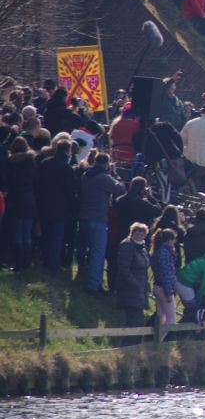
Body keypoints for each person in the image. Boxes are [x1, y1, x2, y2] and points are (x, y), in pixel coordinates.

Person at [77, 153, 126, 295]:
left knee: (82, 247)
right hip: (98, 219)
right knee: (98, 253)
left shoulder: (85, 175)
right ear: (107, 164)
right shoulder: (104, 178)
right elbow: (120, 189)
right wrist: (115, 175)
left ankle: (81, 270)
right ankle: (94, 285)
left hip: (83, 216)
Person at [36, 138, 76, 272]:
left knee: (46, 234)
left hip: (44, 204)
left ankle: (45, 260)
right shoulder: (67, 168)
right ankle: (54, 265)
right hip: (60, 208)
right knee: (57, 237)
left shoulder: (45, 163)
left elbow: (39, 183)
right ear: (68, 150)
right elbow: (70, 190)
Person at [6, 137, 38, 272]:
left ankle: (19, 262)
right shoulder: (32, 161)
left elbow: (9, 181)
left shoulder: (11, 162)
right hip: (30, 198)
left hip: (16, 199)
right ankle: (27, 262)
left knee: (18, 232)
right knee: (27, 232)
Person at [116, 222, 151, 345]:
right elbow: (124, 269)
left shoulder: (143, 248)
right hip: (129, 289)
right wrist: (135, 284)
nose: (139, 236)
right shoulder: (127, 247)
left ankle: (134, 347)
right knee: (135, 320)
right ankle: (128, 347)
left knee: (139, 320)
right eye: (137, 234)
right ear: (132, 233)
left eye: (142, 235)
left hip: (140, 289)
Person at [150, 228, 178, 341]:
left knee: (160, 317)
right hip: (164, 288)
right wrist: (169, 292)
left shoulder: (158, 251)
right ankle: (158, 342)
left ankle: (156, 341)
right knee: (171, 319)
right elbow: (166, 274)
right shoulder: (165, 253)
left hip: (158, 286)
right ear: (171, 240)